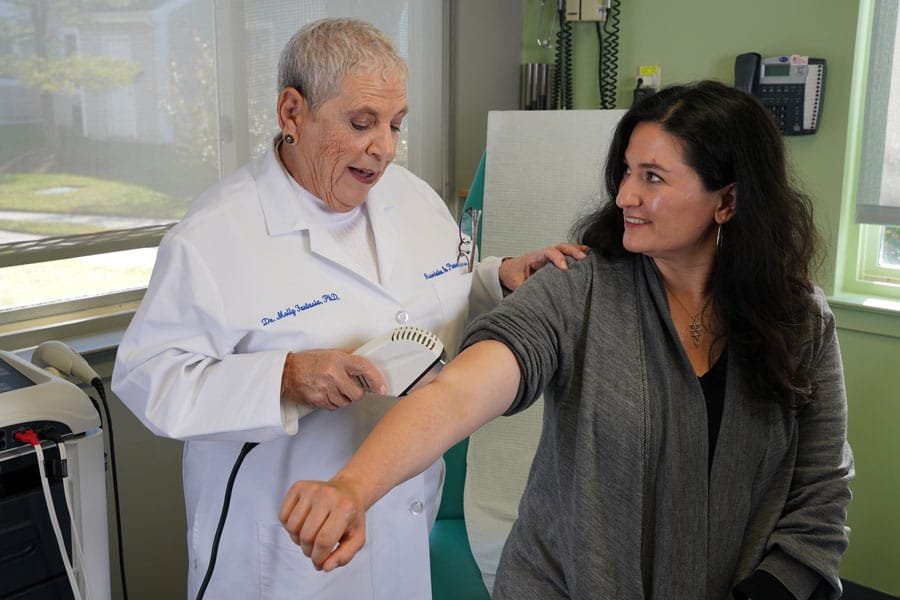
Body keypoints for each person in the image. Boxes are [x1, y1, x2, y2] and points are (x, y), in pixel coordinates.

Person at [279, 80, 855, 600]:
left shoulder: (799, 320)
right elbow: (458, 394)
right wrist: (354, 487)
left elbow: (820, 492)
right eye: (626, 171)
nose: (625, 195)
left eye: (652, 177)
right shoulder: (578, 289)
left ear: (726, 201)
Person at [111, 17, 586, 600]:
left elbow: (433, 298)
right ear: (292, 113)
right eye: (362, 123)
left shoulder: (411, 198)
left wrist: (500, 280)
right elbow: (146, 376)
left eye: (395, 124)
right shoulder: (215, 237)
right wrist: (285, 377)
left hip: (401, 519)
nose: (383, 148)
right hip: (284, 550)